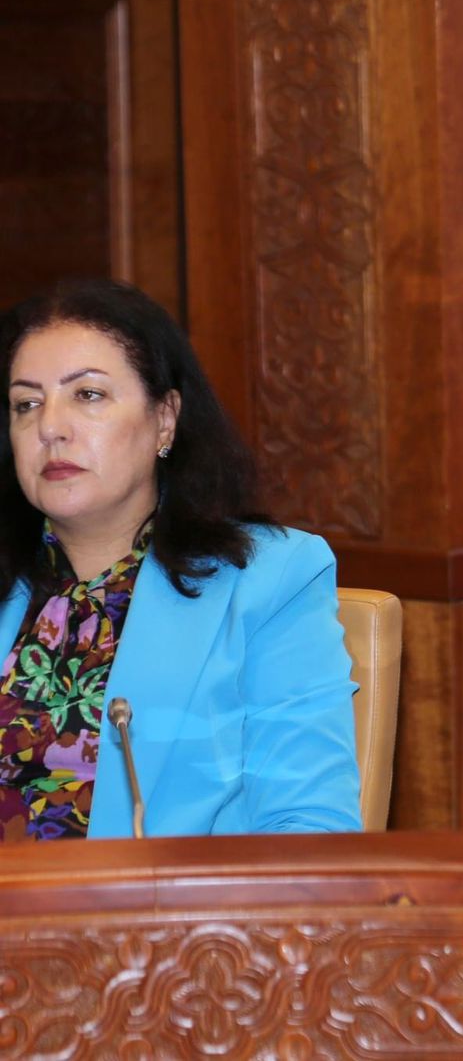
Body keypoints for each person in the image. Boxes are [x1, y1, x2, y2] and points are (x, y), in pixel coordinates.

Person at [0, 279, 360, 841]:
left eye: (88, 395)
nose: (50, 427)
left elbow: (311, 830)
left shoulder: (269, 581)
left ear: (164, 419)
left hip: (162, 900)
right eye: (27, 404)